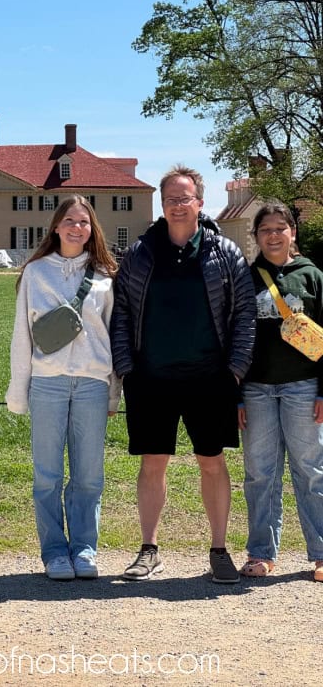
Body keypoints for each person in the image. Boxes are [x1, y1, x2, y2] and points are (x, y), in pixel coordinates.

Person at [111, 164, 256, 584]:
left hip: (209, 377)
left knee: (211, 462)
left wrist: (234, 371)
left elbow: (244, 313)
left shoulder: (223, 251)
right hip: (151, 377)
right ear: (163, 204)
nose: (177, 205)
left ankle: (219, 550)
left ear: (199, 202)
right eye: (170, 199)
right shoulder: (141, 252)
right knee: (152, 463)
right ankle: (148, 549)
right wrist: (127, 368)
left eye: (184, 198)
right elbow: (121, 312)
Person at [6, 195, 121, 580]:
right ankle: (55, 552)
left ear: (93, 229)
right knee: (47, 475)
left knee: (89, 474)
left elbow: (113, 336)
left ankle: (85, 549)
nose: (77, 228)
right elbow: (22, 335)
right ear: (56, 226)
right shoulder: (36, 273)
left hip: (91, 382)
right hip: (48, 383)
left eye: (84, 222)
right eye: (70, 221)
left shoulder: (104, 277)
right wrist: (18, 390)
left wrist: (113, 390)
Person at [238, 201, 323, 583]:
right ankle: (261, 553)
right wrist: (236, 394)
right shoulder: (244, 278)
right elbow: (233, 338)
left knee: (311, 471)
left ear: (292, 232)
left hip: (304, 386)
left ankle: (321, 554)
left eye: (280, 228)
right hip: (256, 389)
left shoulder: (313, 277)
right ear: (256, 237)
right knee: (260, 473)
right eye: (265, 230)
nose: (273, 236)